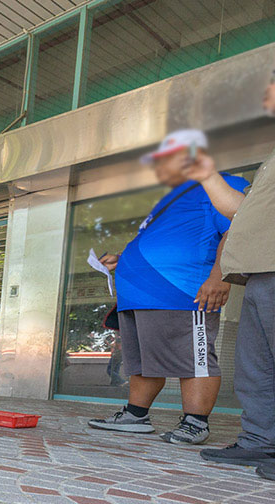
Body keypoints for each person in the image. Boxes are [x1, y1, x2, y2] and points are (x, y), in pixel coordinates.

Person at [87, 130, 247, 445]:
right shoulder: (170, 197)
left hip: (182, 290)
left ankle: (195, 422)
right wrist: (123, 259)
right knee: (143, 358)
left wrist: (219, 276)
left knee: (195, 358)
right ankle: (135, 415)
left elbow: (235, 230)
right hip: (139, 292)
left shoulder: (227, 185)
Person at [202, 72, 275, 480]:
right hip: (261, 269)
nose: (265, 91)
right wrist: (206, 174)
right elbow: (244, 213)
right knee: (256, 367)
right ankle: (260, 441)